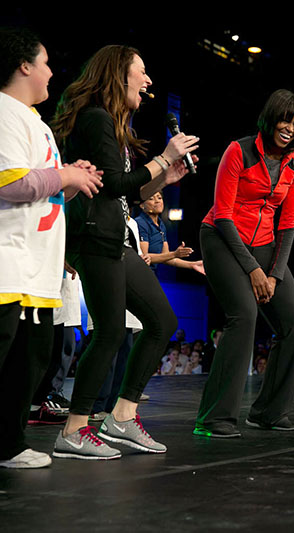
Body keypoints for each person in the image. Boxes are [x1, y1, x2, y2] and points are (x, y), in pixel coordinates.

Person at [50, 44, 198, 459]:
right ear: (119, 74)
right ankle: (74, 430)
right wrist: (162, 158)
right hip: (94, 238)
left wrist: (163, 178)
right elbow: (113, 184)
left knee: (162, 321)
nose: (148, 81)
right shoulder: (95, 118)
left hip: (114, 235)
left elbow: (124, 196)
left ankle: (122, 415)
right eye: (142, 72)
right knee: (111, 332)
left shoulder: (112, 125)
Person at [0, 28, 102, 468]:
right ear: (24, 65)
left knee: (29, 363)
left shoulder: (35, 121)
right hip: (9, 262)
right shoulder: (4, 111)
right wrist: (65, 176)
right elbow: (13, 183)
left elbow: (45, 190)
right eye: (44, 62)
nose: (50, 72)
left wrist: (70, 178)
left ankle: (7, 443)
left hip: (36, 271)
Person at [193, 89, 294, 438]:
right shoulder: (239, 150)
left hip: (266, 244)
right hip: (221, 237)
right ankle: (214, 418)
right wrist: (254, 271)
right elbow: (224, 215)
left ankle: (269, 412)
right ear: (271, 117)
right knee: (243, 316)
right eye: (285, 119)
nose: (289, 128)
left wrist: (273, 273)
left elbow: (289, 222)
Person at [136, 191, 204, 274]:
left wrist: (193, 264)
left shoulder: (161, 225)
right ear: (142, 205)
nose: (157, 201)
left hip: (151, 273)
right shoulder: (140, 223)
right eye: (151, 199)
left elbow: (166, 257)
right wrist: (174, 254)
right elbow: (144, 258)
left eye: (159, 198)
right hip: (139, 272)